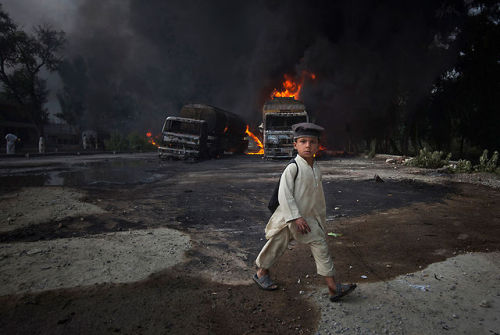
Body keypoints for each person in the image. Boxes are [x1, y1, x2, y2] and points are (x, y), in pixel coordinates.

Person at [253, 122, 356, 302]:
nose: (307, 145)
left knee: (320, 245)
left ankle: (333, 287)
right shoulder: (293, 167)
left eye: (312, 142)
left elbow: (317, 198)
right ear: (295, 144)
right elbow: (284, 195)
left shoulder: (315, 168)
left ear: (318, 145)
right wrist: (295, 217)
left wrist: (319, 220)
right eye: (303, 141)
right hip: (288, 218)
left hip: (309, 219)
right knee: (275, 246)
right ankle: (261, 272)